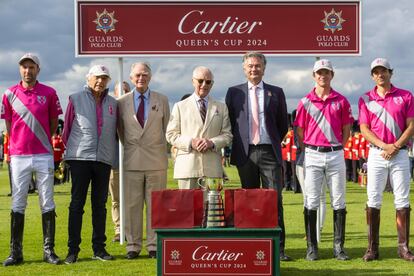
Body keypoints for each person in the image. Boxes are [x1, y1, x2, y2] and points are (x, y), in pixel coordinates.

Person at [225, 52, 290, 261]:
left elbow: (282, 125)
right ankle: (251, 247)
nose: (254, 69)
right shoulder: (234, 92)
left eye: (258, 66)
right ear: (244, 68)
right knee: (248, 201)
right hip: (245, 153)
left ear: (264, 67)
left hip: (269, 152)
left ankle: (278, 249)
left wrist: (269, 141)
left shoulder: (276, 92)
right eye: (250, 66)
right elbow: (231, 122)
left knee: (274, 200)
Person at [1, 53, 62, 266]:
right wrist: (19, 143)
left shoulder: (50, 92)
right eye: (24, 67)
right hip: (19, 156)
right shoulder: (9, 94)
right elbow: (9, 126)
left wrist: (42, 141)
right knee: (18, 202)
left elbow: (54, 123)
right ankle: (15, 253)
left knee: (47, 201)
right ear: (20, 70)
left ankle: (49, 251)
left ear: (38, 69)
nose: (28, 71)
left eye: (31, 67)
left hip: (43, 154)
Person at [294, 59, 353, 261]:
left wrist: (338, 147)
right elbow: (299, 131)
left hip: (336, 153)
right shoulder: (304, 102)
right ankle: (312, 247)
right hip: (313, 153)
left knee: (339, 200)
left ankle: (339, 247)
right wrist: (311, 148)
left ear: (331, 75)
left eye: (326, 72)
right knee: (311, 200)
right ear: (314, 76)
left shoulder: (342, 101)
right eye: (319, 73)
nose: (323, 76)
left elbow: (347, 129)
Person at [359, 58, 414, 262]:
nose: (380, 75)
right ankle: (372, 248)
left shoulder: (406, 95)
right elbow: (364, 129)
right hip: (377, 153)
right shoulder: (365, 99)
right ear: (372, 75)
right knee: (373, 199)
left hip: (399, 153)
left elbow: (411, 125)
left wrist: (396, 146)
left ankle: (403, 248)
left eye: (383, 71)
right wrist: (385, 146)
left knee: (402, 199)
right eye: (376, 72)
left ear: (391, 72)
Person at [62, 65, 117, 264]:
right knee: (77, 204)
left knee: (100, 205)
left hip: (103, 159)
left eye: (104, 78)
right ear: (88, 78)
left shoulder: (113, 103)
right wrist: (72, 154)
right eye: (97, 77)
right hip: (79, 159)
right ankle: (72, 250)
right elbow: (66, 130)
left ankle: (99, 249)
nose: (100, 82)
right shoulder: (75, 98)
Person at [117, 62, 170, 259]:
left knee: (156, 204)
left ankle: (154, 245)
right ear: (131, 78)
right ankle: (133, 245)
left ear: (150, 77)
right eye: (138, 75)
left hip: (156, 161)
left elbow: (167, 129)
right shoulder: (121, 102)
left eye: (145, 74)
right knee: (132, 205)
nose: (141, 78)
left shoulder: (162, 99)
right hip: (132, 160)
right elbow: (121, 132)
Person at [166, 66, 232, 189]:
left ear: (212, 84)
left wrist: (211, 142)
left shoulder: (221, 107)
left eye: (208, 82)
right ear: (193, 81)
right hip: (187, 168)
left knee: (210, 208)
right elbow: (171, 135)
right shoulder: (179, 106)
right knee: (187, 207)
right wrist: (191, 142)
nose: (204, 85)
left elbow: (227, 135)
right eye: (200, 81)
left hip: (212, 169)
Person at [109, 81, 131, 243]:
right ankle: (118, 229)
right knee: (116, 198)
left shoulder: (135, 110)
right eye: (121, 92)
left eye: (126, 91)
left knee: (133, 199)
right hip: (114, 161)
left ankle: (131, 229)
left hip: (133, 161)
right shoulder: (109, 110)